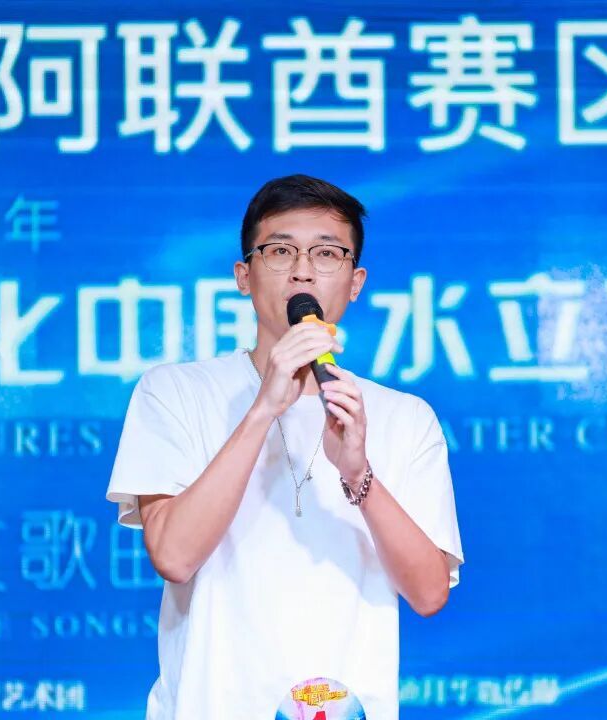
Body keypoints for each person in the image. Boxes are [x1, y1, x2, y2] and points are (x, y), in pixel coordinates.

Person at [105, 174, 464, 719]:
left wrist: (358, 475)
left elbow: (429, 593)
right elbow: (173, 556)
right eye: (279, 251)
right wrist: (262, 410)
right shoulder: (175, 392)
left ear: (356, 282)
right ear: (244, 276)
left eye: (326, 253)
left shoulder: (405, 418)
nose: (302, 270)